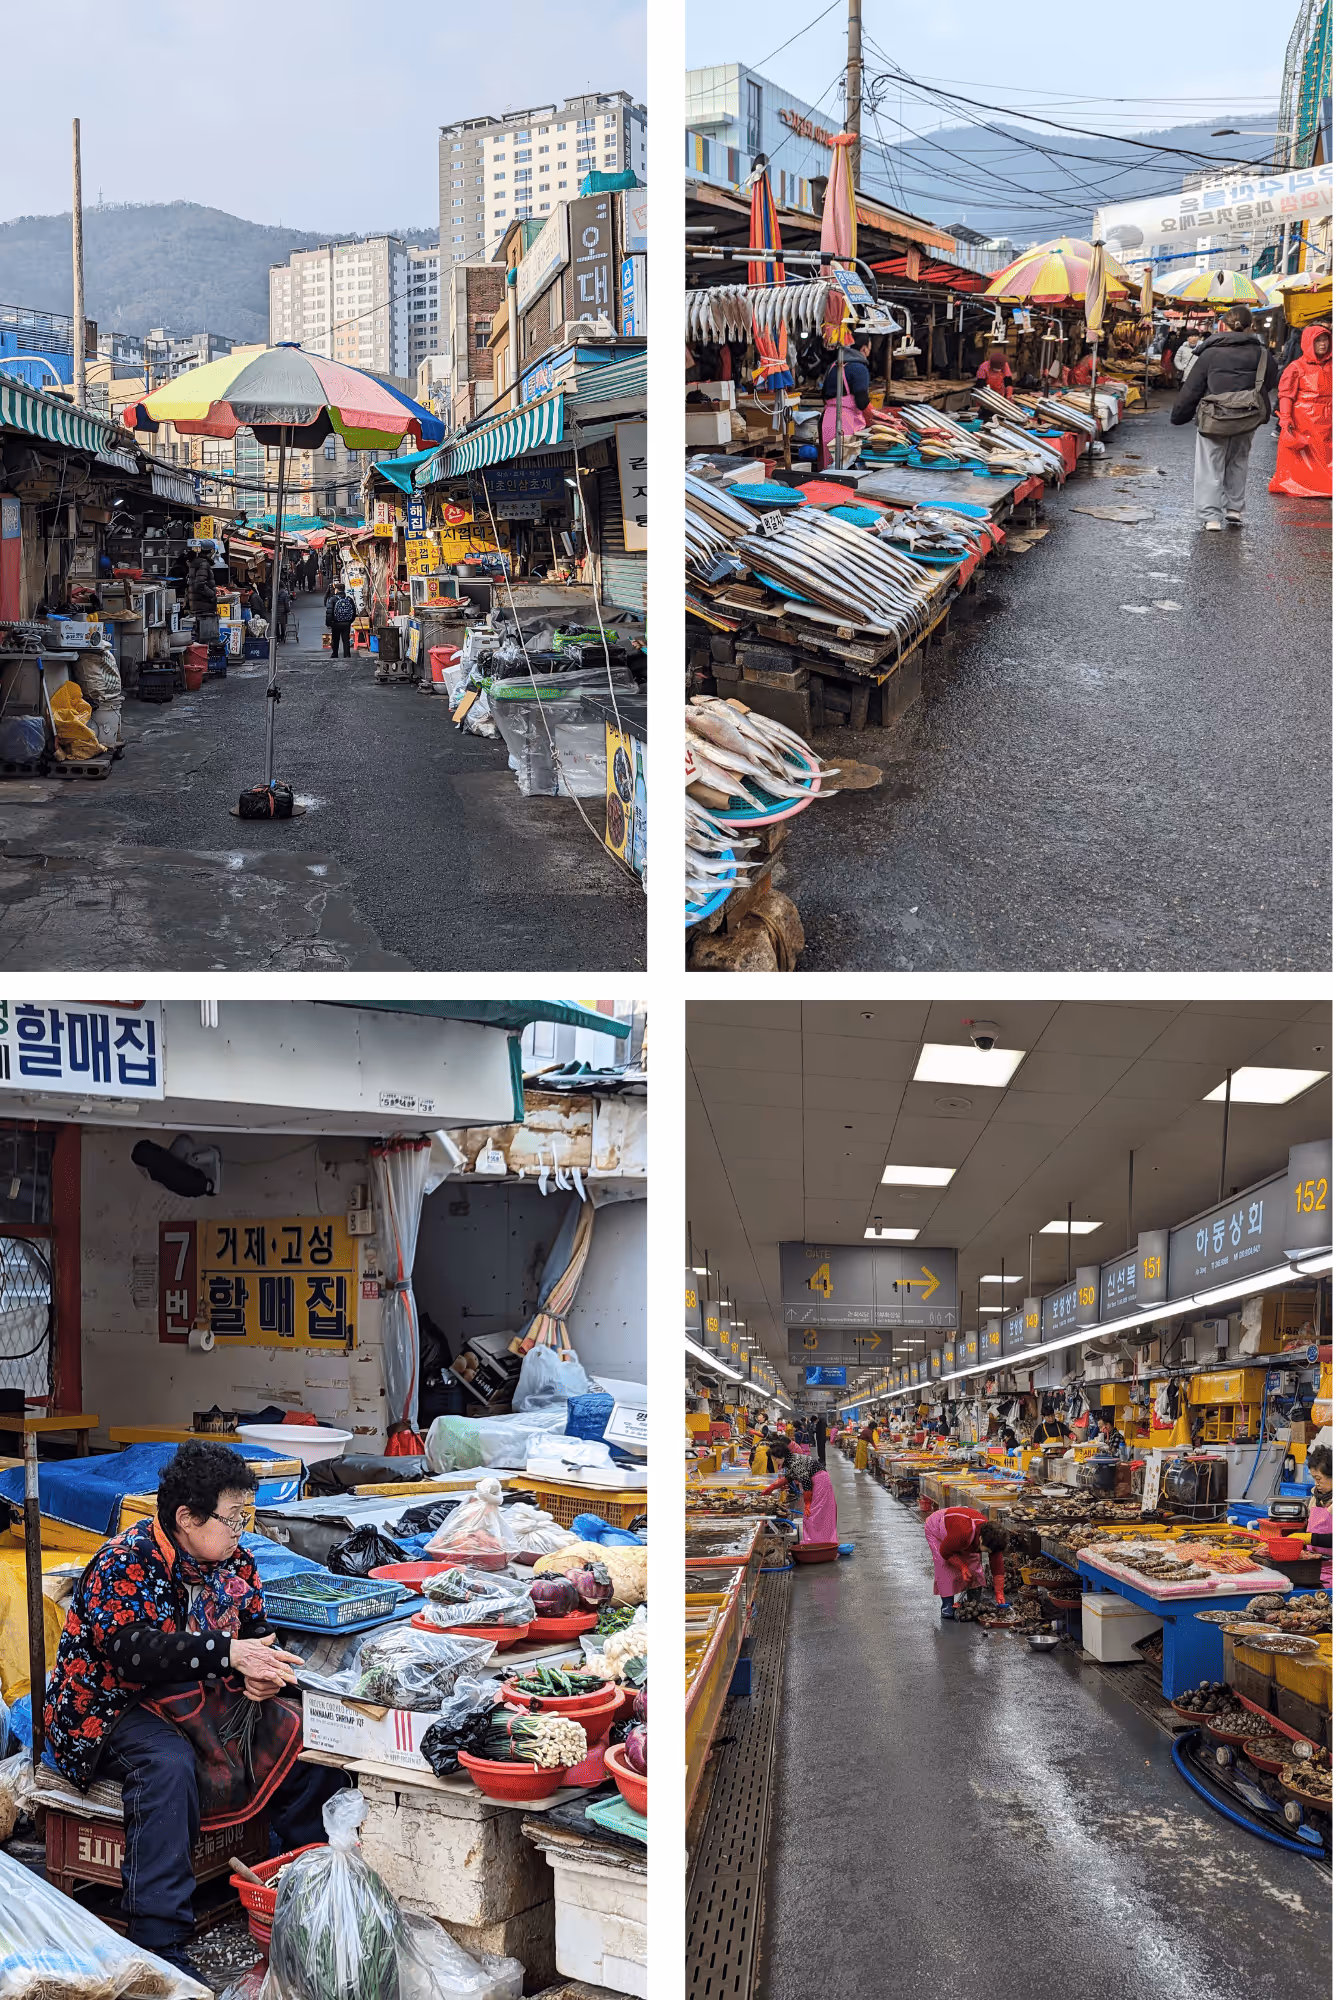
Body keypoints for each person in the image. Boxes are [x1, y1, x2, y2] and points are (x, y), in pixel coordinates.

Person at [43, 1442, 346, 1974]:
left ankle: (316, 1887)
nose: (240, 1530)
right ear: (186, 1517)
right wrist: (229, 1654)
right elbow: (131, 1650)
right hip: (109, 1706)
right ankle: (160, 1943)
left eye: (243, 1517)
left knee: (303, 1733)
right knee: (166, 1766)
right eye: (232, 1519)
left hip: (199, 1696)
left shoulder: (236, 1562)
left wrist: (262, 1676)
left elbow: (255, 1631)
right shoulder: (124, 1561)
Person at [1171, 306, 1282, 529]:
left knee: (1210, 464)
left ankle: (1211, 517)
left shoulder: (1210, 353)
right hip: (1247, 416)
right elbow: (1270, 382)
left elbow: (1193, 388)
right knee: (1238, 461)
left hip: (1214, 416)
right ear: (1251, 326)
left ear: (1224, 325)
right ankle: (1234, 509)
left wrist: (1179, 415)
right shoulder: (1262, 353)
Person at [1269, 326, 1332, 498]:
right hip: (1303, 419)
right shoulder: (1296, 367)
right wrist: (1286, 418)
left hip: (1326, 418)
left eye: (1325, 339)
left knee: (1325, 454)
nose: (1323, 344)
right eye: (1318, 340)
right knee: (1301, 455)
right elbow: (1286, 395)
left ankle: (1320, 485)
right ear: (1308, 342)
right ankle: (1304, 484)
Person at [923, 1506, 1008, 1618]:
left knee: (974, 1562)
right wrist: (962, 1567)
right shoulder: (963, 1533)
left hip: (959, 1527)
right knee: (945, 1566)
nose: (988, 1553)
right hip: (937, 1527)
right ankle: (947, 1606)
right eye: (986, 1550)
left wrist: (999, 1592)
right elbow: (945, 1552)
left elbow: (997, 1563)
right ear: (981, 1539)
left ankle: (973, 1600)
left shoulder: (994, 1537)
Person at [819, 330, 873, 469]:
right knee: (846, 465)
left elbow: (823, 394)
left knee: (829, 465)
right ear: (864, 348)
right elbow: (862, 401)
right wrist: (875, 417)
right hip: (846, 423)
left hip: (827, 420)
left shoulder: (833, 366)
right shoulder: (859, 368)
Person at [1300, 1444, 1331, 1589]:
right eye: (1314, 1478)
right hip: (1315, 1567)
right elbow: (1309, 1526)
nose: (1316, 1483)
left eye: (1319, 1478)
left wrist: (1311, 1538)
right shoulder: (1316, 1498)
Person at [804, 1463, 838, 1545]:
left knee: (815, 1514)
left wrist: (807, 1505)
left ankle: (817, 1541)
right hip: (821, 1480)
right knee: (822, 1513)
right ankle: (822, 1540)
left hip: (820, 1482)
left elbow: (806, 1488)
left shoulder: (795, 1467)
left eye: (775, 1459)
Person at [327, 582, 357, 658]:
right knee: (346, 640)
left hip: (336, 623)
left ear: (336, 590)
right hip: (346, 623)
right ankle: (347, 655)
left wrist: (328, 623)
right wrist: (350, 621)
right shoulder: (349, 599)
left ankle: (335, 654)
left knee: (335, 639)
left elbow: (329, 612)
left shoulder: (333, 599)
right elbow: (354, 612)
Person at [275, 576, 292, 643]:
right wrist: (288, 610)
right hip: (282, 611)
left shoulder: (275, 593)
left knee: (276, 624)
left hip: (276, 610)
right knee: (283, 624)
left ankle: (277, 636)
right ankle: (282, 636)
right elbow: (286, 603)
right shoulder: (284, 594)